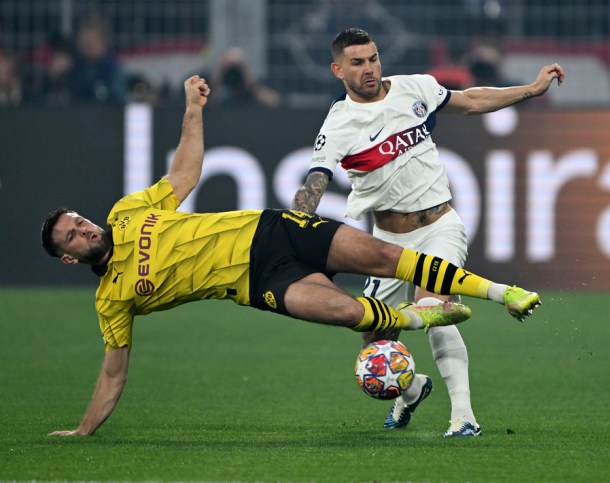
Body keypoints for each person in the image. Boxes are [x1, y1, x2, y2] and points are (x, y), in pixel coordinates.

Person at [41, 75, 541, 437]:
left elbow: (183, 177)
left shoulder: (128, 212)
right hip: (258, 282)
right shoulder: (112, 300)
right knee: (353, 318)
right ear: (69, 258)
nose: (84, 229)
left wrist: (192, 110)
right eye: (72, 236)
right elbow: (113, 370)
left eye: (79, 221)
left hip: (272, 228)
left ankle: (489, 321)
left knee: (387, 259)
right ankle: (413, 371)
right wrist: (83, 431)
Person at [291, 28, 562, 438]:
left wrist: (531, 89)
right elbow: (315, 181)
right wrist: (294, 224)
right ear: (337, 69)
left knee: (434, 305)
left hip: (438, 226)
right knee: (374, 345)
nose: (369, 69)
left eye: (373, 58)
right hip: (385, 244)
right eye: (358, 63)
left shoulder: (414, 88)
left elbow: (470, 101)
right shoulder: (339, 123)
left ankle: (464, 417)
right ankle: (413, 388)